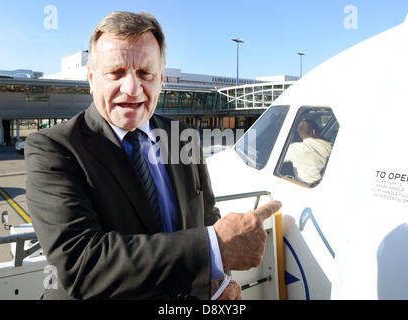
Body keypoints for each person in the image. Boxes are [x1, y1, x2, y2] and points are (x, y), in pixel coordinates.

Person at [25, 11, 282, 300]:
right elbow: (81, 265)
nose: (132, 89)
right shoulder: (52, 148)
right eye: (116, 72)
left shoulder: (183, 137)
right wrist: (212, 248)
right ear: (91, 78)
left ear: (161, 78)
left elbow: (207, 219)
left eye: (145, 73)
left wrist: (219, 280)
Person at [283, 119, 332, 185]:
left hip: (305, 186)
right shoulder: (329, 145)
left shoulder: (294, 148)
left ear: (300, 134)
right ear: (314, 132)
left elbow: (275, 158)